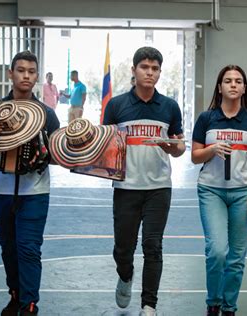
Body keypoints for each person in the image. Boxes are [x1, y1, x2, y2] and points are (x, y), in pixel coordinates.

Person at [0, 51, 60, 316]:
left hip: (34, 191)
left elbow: (59, 156)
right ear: (10, 74)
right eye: (20, 70)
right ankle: (15, 293)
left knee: (29, 248)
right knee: (9, 248)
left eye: (31, 71)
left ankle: (29, 304)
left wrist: (45, 152)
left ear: (36, 76)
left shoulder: (47, 113)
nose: (26, 75)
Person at [103, 46, 185, 316]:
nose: (150, 73)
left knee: (153, 246)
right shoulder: (116, 106)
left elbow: (180, 146)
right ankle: (125, 276)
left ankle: (149, 305)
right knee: (123, 248)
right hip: (126, 187)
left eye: (155, 68)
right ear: (134, 70)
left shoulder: (170, 107)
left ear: (159, 72)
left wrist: (171, 146)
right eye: (145, 67)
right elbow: (105, 146)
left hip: (159, 187)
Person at [191, 65, 247, 316]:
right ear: (219, 87)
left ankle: (229, 307)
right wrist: (212, 150)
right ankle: (213, 302)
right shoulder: (206, 119)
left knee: (236, 258)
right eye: (228, 80)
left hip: (243, 192)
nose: (233, 84)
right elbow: (194, 157)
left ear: (244, 88)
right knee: (217, 251)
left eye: (238, 81)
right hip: (211, 191)